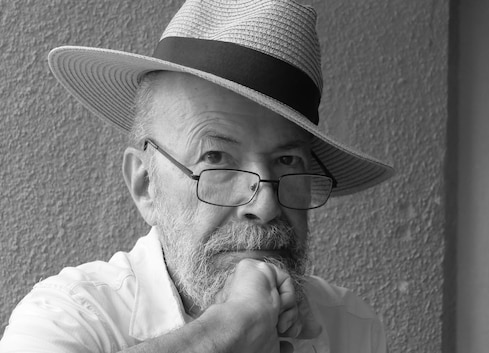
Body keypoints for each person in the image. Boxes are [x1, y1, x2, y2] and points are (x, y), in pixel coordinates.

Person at [0, 1, 394, 352]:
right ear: (145, 185)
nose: (266, 204)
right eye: (216, 157)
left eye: (288, 160)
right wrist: (227, 330)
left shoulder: (352, 328)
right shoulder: (68, 319)